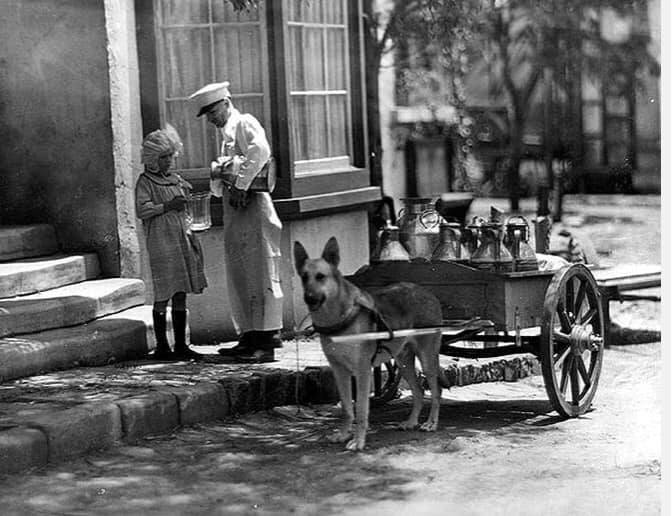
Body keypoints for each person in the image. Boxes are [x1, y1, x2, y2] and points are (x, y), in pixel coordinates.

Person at [188, 81, 283, 363]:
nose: (212, 118)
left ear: (227, 103)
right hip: (237, 211)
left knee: (260, 272)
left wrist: (242, 185)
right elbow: (225, 173)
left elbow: (261, 151)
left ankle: (265, 341)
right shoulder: (226, 136)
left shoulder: (244, 123)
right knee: (240, 273)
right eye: (207, 114)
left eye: (214, 111)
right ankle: (248, 336)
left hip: (254, 207)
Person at [135, 128, 208, 360]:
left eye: (170, 155)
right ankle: (162, 345)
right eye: (163, 157)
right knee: (164, 290)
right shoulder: (145, 182)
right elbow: (142, 210)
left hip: (180, 238)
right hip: (161, 241)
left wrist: (185, 197)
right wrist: (167, 206)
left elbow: (185, 200)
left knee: (180, 291)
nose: (169, 161)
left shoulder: (175, 180)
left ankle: (180, 345)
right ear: (152, 159)